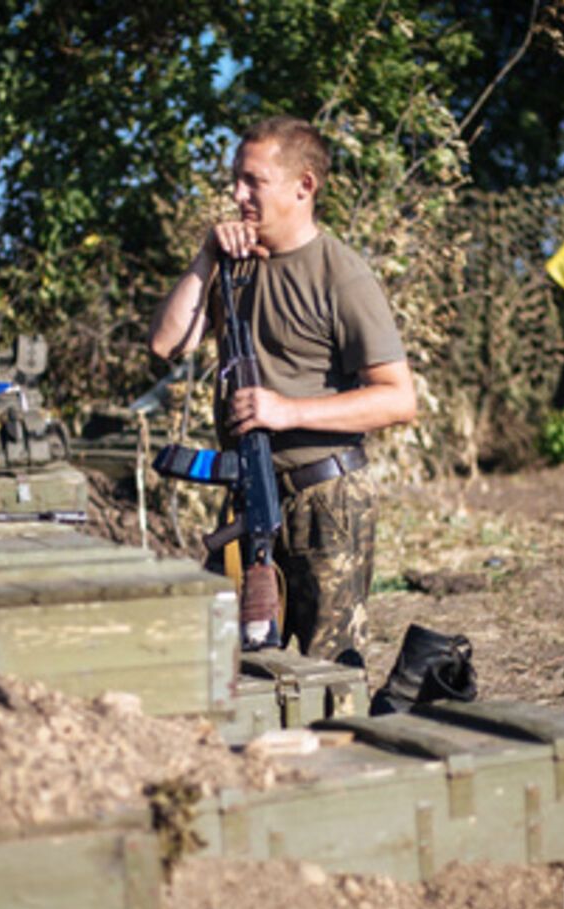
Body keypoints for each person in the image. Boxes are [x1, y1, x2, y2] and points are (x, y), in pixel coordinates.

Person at [149, 116, 416, 663]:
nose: (236, 194)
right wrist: (206, 256)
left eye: (252, 181)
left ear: (304, 186)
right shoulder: (231, 264)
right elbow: (166, 343)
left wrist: (284, 410)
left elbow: (397, 398)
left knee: (327, 673)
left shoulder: (341, 274)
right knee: (234, 662)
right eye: (235, 180)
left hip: (327, 502)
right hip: (249, 494)